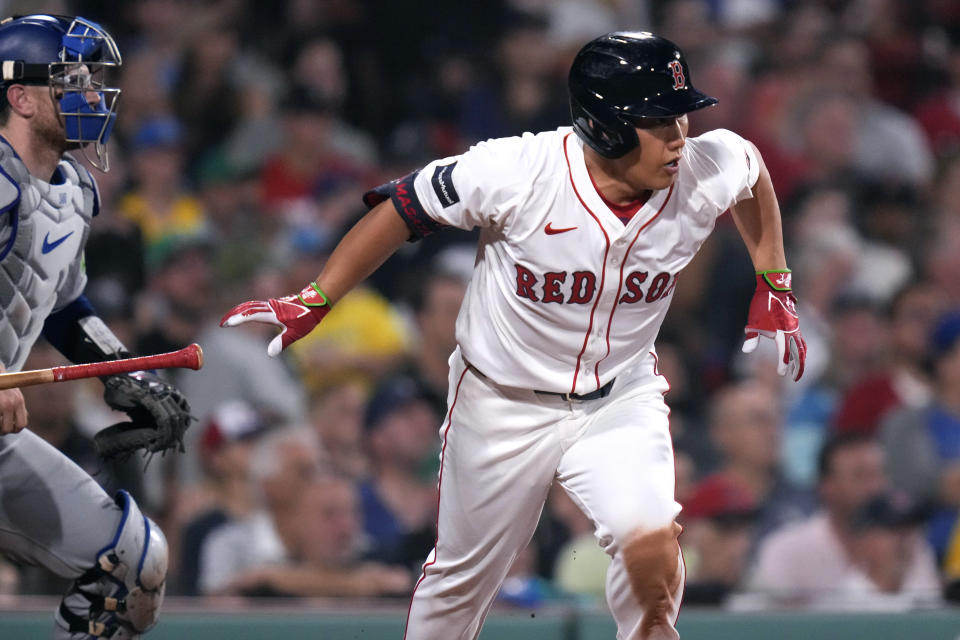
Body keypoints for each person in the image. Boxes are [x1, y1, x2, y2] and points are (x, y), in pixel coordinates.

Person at [222, 31, 807, 639]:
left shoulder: (706, 166)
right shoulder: (516, 171)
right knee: (458, 586)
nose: (679, 136)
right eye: (658, 120)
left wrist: (776, 278)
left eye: (681, 116)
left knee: (651, 549)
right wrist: (319, 296)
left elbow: (751, 173)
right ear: (604, 124)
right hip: (501, 402)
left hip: (618, 397)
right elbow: (402, 207)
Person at [0, 15, 193, 639]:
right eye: (71, 80)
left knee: (135, 563)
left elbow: (63, 305)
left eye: (91, 80)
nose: (90, 94)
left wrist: (128, 374)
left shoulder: (75, 190)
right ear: (21, 97)